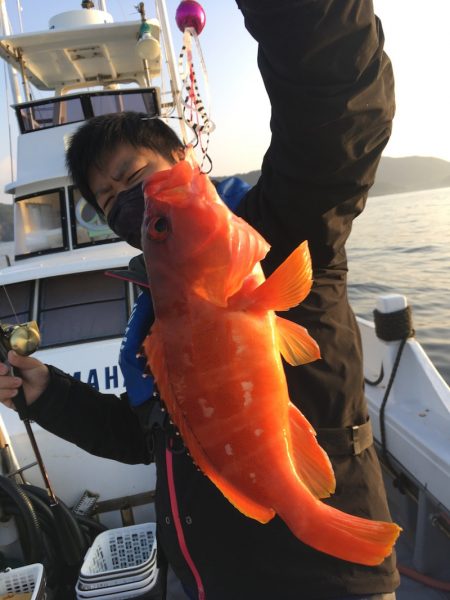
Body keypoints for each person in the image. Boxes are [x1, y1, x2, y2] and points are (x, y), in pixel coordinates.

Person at [0, 1, 399, 598]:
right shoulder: (156, 307)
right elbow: (154, 437)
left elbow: (335, 117)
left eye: (135, 177)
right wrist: (46, 394)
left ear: (183, 161)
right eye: (106, 201)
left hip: (325, 580)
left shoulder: (281, 229)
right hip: (207, 579)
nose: (130, 204)